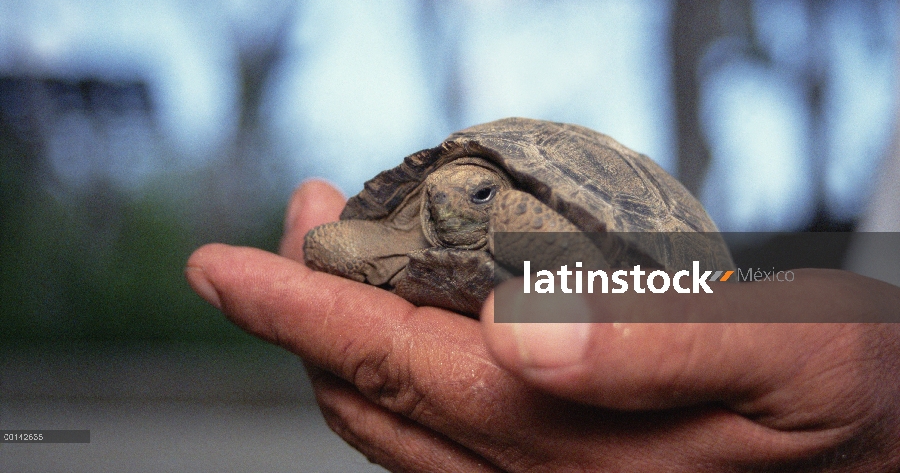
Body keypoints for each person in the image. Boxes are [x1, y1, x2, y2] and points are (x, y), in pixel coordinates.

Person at [186, 180, 900, 472]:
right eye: (448, 192)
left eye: (486, 194)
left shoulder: (550, 225)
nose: (451, 200)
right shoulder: (425, 210)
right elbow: (337, 245)